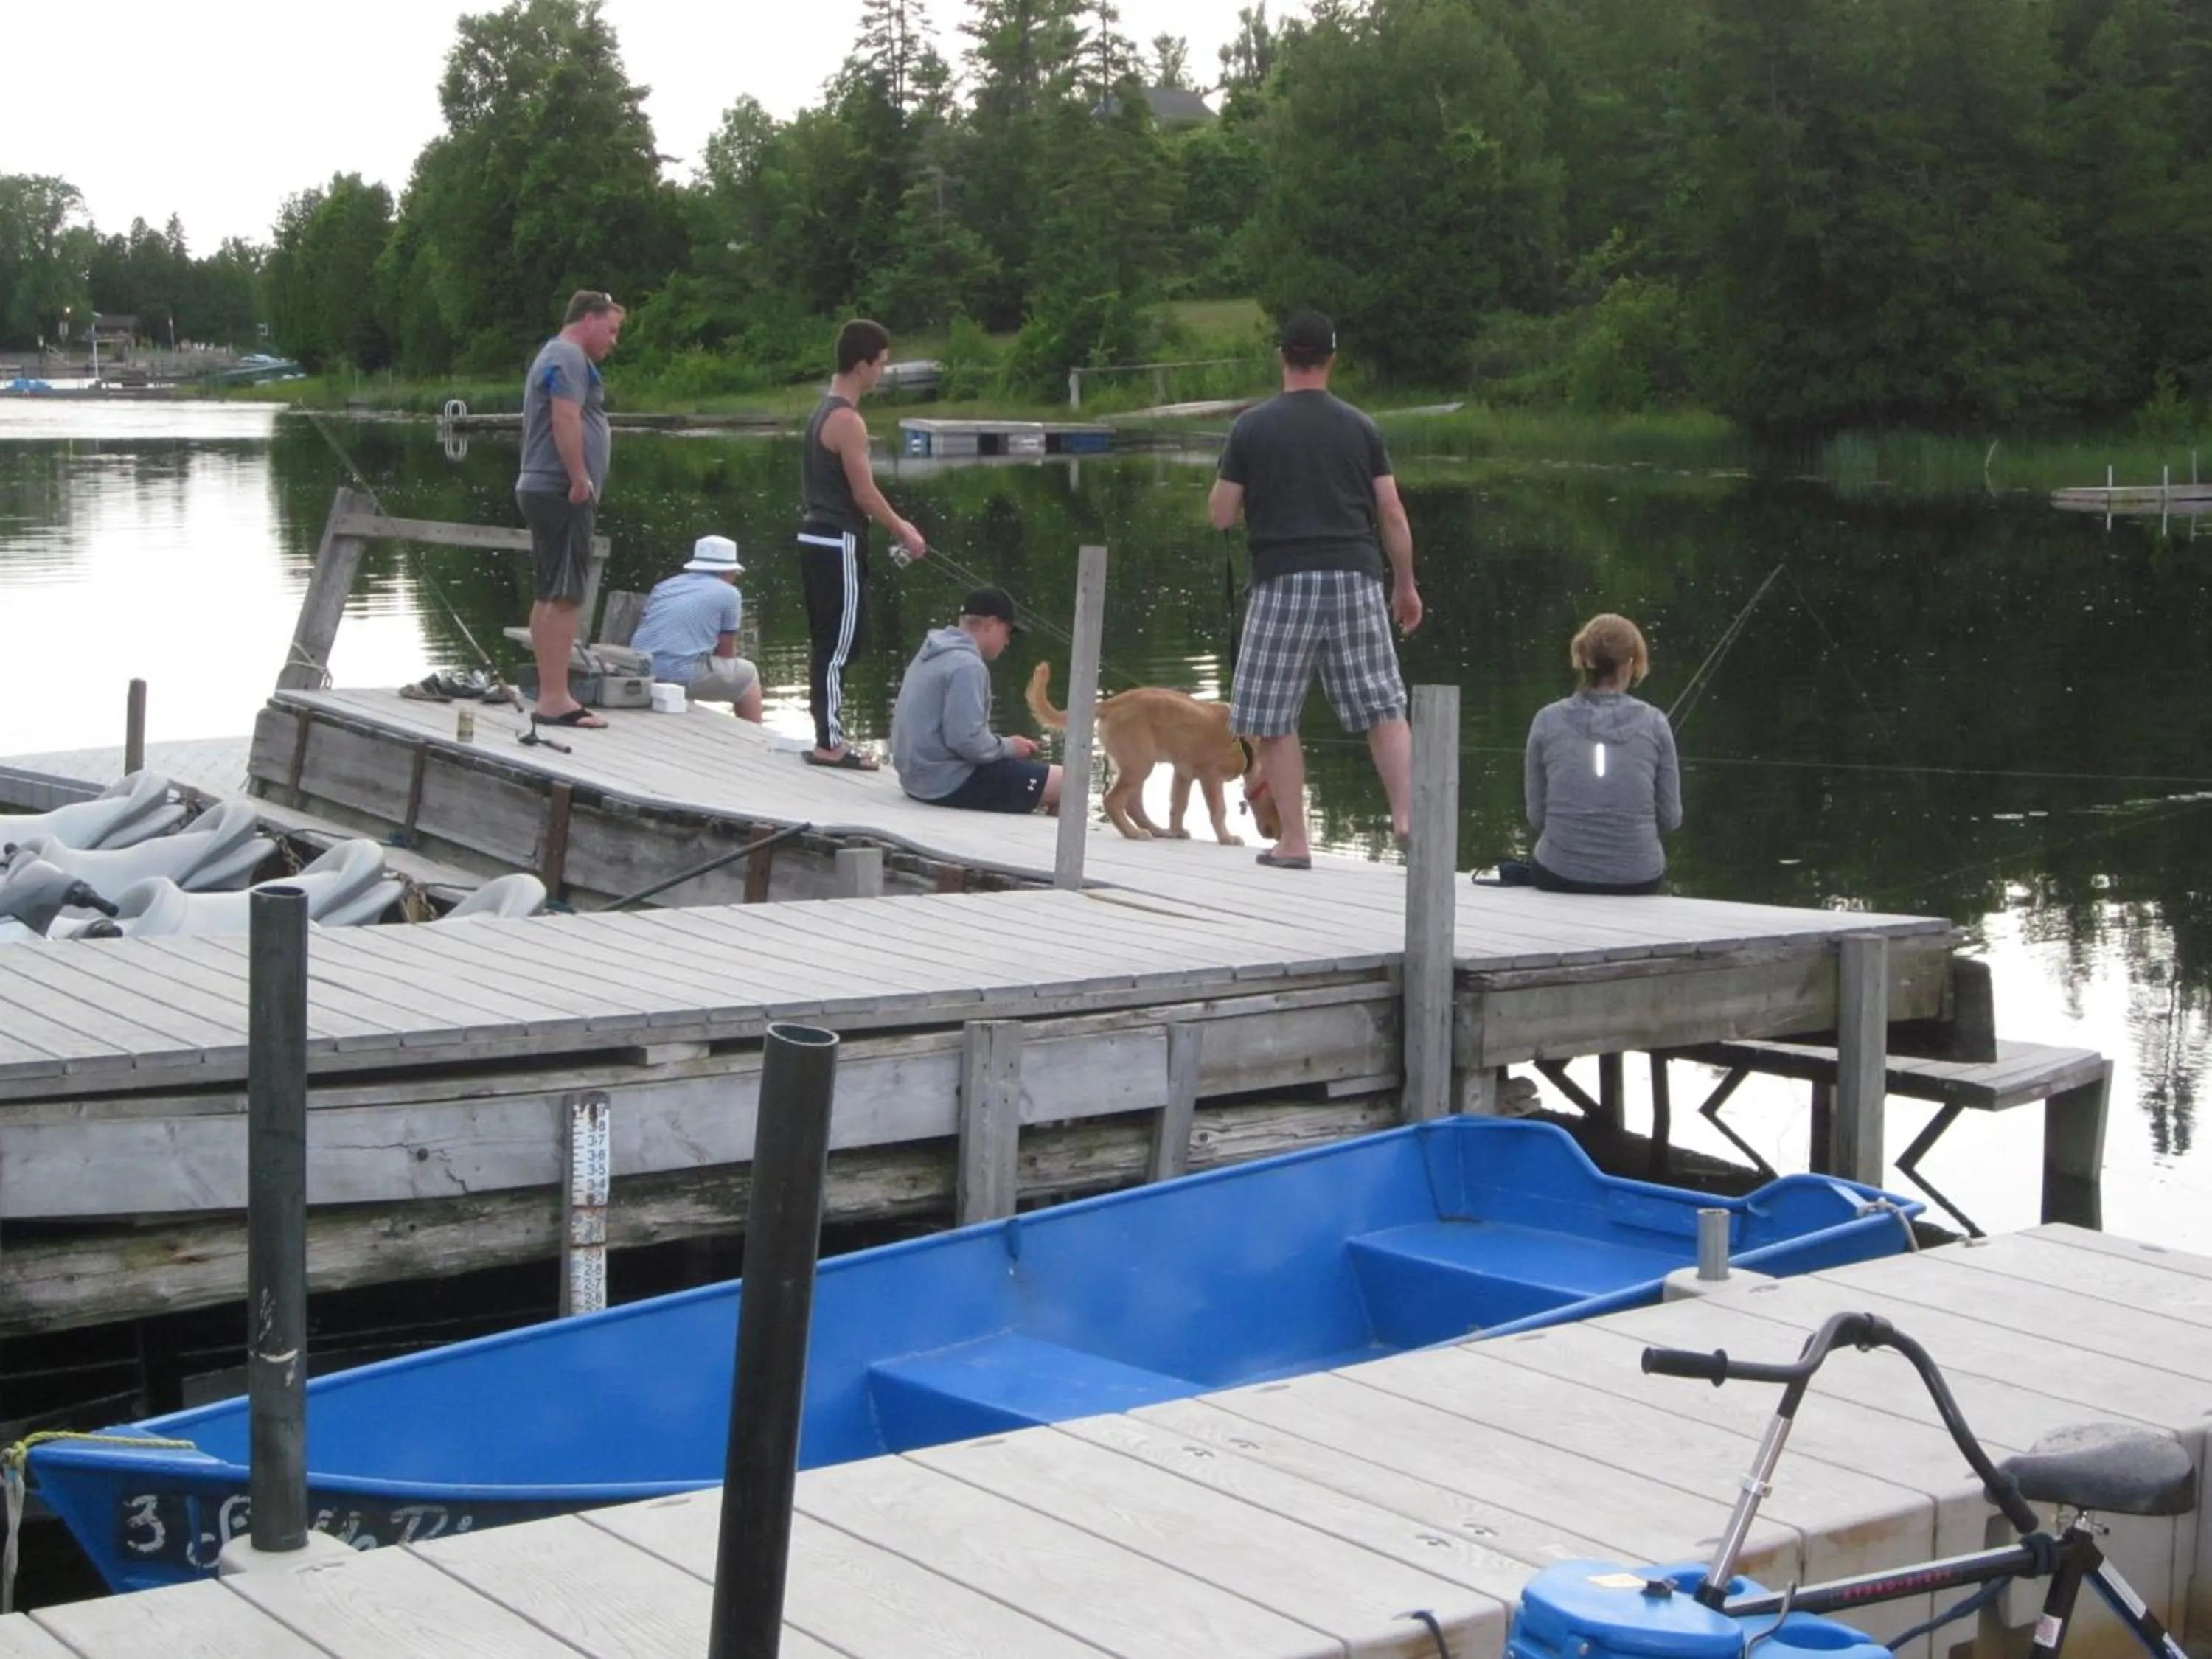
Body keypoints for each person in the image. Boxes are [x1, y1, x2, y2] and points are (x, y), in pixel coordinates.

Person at [1208, 310, 1422, 869]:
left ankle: (1295, 842)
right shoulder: (1361, 427)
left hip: (1281, 578)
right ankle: (1407, 818)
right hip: (1356, 575)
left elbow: (1222, 516)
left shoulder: (1250, 428)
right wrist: (1405, 585)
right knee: (1384, 705)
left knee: (1273, 716)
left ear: (1283, 356)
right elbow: (1392, 512)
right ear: (1331, 359)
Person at [796, 318, 929, 770]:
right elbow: (864, 494)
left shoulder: (821, 410)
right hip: (837, 541)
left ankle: (827, 735)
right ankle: (830, 744)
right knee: (839, 646)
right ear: (861, 365)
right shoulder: (847, 420)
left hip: (814, 536)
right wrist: (904, 529)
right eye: (881, 364)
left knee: (828, 642)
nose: (882, 373)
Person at [515, 289, 624, 729]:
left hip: (544, 486)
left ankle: (549, 694)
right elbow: (565, 416)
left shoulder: (555, 354)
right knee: (565, 595)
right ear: (589, 319)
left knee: (549, 592)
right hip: (562, 489)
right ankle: (556, 699)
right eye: (611, 330)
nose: (614, 341)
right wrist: (580, 476)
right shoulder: (569, 357)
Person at [1521, 613, 1682, 894]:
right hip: (1640, 878)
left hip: (1558, 872)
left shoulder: (1546, 719)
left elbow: (1536, 817)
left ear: (1583, 660)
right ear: (1631, 663)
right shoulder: (1656, 722)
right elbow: (1671, 818)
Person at [891, 587, 1063, 815]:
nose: (1007, 642)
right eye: (1007, 632)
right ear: (990, 625)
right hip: (947, 785)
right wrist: (1010, 747)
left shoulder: (932, 651)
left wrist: (1004, 746)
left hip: (915, 780)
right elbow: (966, 742)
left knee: (1038, 781)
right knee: (1069, 783)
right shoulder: (967, 666)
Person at [629, 534, 762, 722]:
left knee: (692, 657)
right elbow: (726, 654)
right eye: (736, 574)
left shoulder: (664, 586)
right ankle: (755, 733)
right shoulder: (730, 594)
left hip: (639, 670)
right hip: (676, 674)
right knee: (748, 674)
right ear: (728, 571)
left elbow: (647, 627)